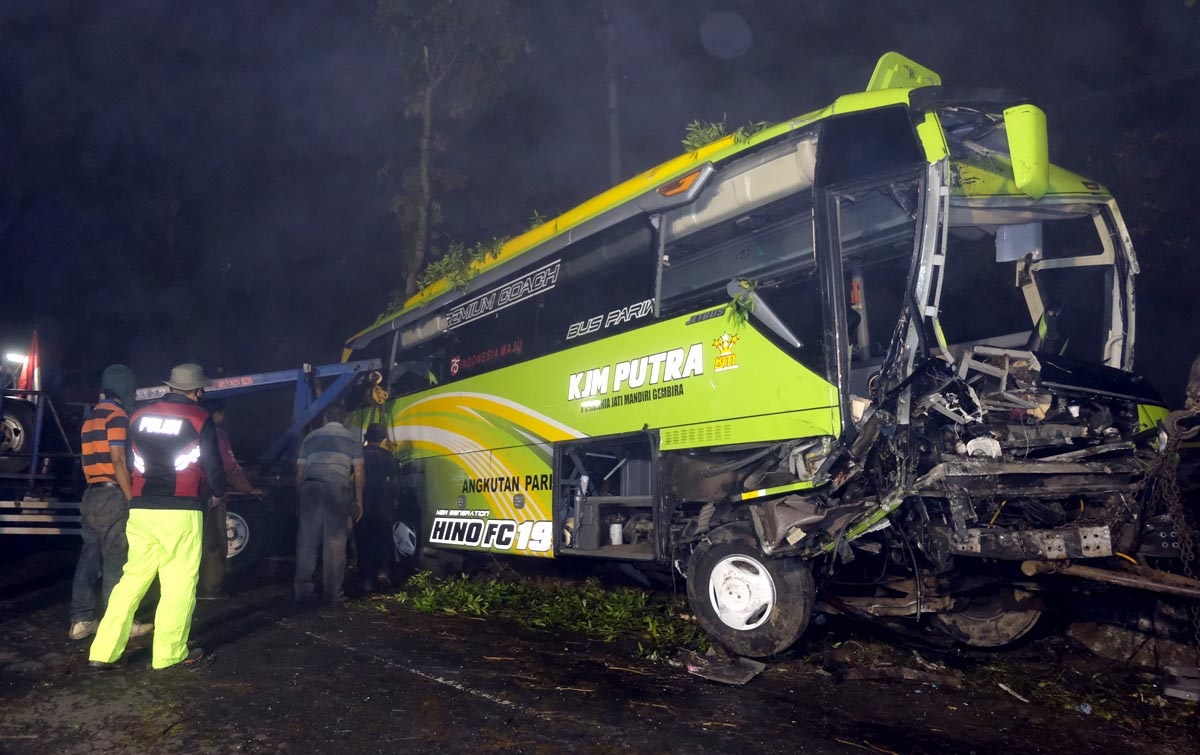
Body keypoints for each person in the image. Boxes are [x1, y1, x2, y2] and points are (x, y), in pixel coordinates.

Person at [88, 363, 227, 671]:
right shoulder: (199, 416)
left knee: (131, 580)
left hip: (141, 509)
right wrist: (218, 492)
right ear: (198, 391)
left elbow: (126, 458)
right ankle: (170, 653)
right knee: (178, 584)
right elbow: (212, 464)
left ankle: (103, 651)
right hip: (181, 510)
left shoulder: (137, 415)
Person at [68, 364, 152, 641]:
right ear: (125, 390)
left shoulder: (90, 418)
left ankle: (81, 620)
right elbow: (117, 460)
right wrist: (131, 498)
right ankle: (120, 624)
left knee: (89, 560)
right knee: (117, 561)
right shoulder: (117, 418)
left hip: (90, 494)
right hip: (112, 494)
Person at [294, 403, 363, 606]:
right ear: (345, 420)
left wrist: (301, 497)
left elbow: (299, 472)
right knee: (335, 543)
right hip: (336, 490)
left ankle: (303, 591)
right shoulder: (352, 439)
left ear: (325, 419)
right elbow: (359, 472)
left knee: (307, 541)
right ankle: (332, 594)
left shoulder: (310, 437)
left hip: (311, 489)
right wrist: (358, 501)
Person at [197, 398, 261, 600]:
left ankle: (189, 587)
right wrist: (249, 489)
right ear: (216, 414)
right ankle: (210, 589)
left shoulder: (190, 429)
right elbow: (229, 467)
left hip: (187, 495)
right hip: (211, 496)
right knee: (214, 542)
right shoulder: (218, 434)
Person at [357, 423, 402, 593]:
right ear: (382, 438)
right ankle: (383, 573)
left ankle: (365, 580)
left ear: (367, 437)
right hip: (384, 503)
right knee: (383, 539)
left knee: (364, 540)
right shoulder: (388, 456)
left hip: (364, 502)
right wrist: (396, 499)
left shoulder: (359, 455)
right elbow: (396, 481)